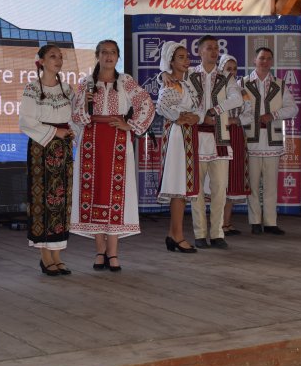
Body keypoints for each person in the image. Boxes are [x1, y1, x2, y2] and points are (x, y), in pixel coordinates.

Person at [70, 39, 155, 272]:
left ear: (118, 57)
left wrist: (131, 125)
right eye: (104, 52)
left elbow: (147, 104)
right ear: (97, 55)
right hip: (91, 141)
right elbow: (75, 115)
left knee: (116, 194)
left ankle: (113, 252)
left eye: (113, 52)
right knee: (95, 192)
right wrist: (84, 106)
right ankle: (100, 251)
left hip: (117, 140)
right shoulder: (86, 82)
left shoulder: (125, 81)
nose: (109, 56)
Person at [19, 43, 75, 275]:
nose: (58, 60)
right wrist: (55, 132)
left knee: (62, 200)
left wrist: (72, 131)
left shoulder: (67, 89)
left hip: (64, 148)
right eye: (53, 56)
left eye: (60, 56)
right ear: (41, 61)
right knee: (43, 199)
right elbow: (26, 121)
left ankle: (57, 255)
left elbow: (75, 116)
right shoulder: (32, 89)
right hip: (42, 148)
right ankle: (45, 256)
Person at [187, 35, 243, 248]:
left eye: (216, 48)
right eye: (209, 48)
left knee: (220, 188)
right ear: (199, 51)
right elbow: (174, 89)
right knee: (197, 190)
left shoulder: (226, 76)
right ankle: (200, 233)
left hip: (220, 137)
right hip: (195, 137)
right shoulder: (189, 74)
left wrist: (216, 110)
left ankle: (217, 233)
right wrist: (163, 74)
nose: (213, 52)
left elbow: (237, 98)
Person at [240, 47, 297, 235]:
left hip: (272, 140)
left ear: (272, 62)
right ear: (254, 60)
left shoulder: (280, 84)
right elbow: (235, 109)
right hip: (251, 140)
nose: (264, 61)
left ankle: (271, 222)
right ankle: (255, 221)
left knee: (271, 184)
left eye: (268, 58)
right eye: (261, 58)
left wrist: (273, 115)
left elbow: (293, 108)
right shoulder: (243, 83)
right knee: (253, 184)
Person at [155, 41, 200, 254]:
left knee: (181, 188)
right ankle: (177, 235)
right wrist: (180, 117)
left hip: (188, 136)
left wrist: (196, 117)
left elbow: (199, 107)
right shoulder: (170, 84)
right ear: (171, 61)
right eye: (181, 57)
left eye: (187, 57)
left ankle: (174, 234)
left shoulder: (187, 83)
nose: (186, 60)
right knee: (178, 186)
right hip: (177, 136)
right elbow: (161, 106)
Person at [218, 53, 249, 236]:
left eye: (234, 69)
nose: (232, 72)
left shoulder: (241, 90)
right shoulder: (215, 89)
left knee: (232, 178)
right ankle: (218, 224)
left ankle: (226, 222)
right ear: (221, 69)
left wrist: (236, 120)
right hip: (219, 134)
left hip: (235, 135)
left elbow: (249, 112)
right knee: (220, 178)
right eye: (228, 68)